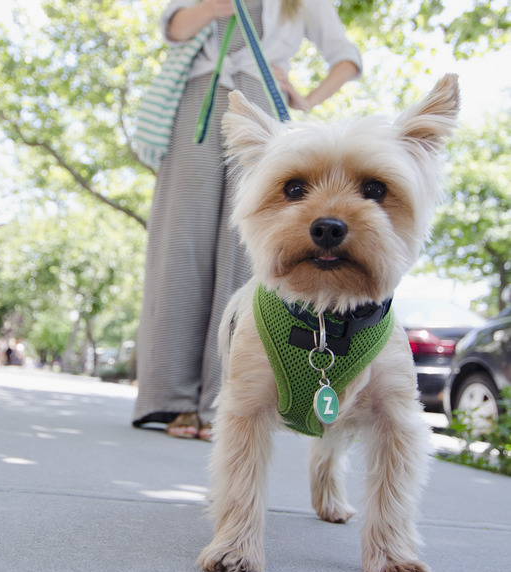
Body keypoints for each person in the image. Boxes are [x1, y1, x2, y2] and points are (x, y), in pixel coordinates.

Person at [132, 0, 362, 440]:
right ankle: (172, 399)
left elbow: (347, 58)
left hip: (260, 105)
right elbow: (175, 28)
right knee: (179, 244)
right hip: (196, 99)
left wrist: (307, 97)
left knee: (249, 253)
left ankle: (225, 401)